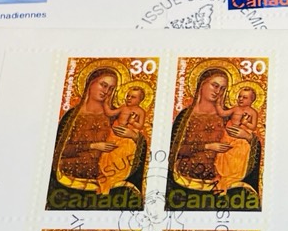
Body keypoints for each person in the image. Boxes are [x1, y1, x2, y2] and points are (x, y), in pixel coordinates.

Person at [49, 67, 147, 205]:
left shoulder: (115, 115)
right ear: (90, 83)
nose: (106, 91)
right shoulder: (71, 117)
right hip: (71, 176)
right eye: (103, 85)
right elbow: (59, 152)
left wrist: (134, 137)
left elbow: (138, 146)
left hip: (111, 174)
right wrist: (93, 146)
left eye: (111, 89)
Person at [169, 67, 261, 198]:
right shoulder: (184, 117)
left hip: (223, 181)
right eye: (215, 85)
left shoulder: (229, 116)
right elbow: (175, 151)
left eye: (222, 89)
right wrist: (208, 146)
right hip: (184, 181)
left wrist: (248, 137)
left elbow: (248, 146)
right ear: (202, 84)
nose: (218, 92)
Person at [97, 85, 148, 195]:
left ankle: (115, 175)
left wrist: (132, 122)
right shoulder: (123, 107)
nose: (129, 98)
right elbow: (110, 113)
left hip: (126, 139)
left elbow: (140, 126)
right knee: (107, 155)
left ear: (140, 100)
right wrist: (106, 103)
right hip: (113, 135)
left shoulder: (140, 111)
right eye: (128, 96)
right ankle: (105, 175)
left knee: (122, 154)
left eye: (133, 97)